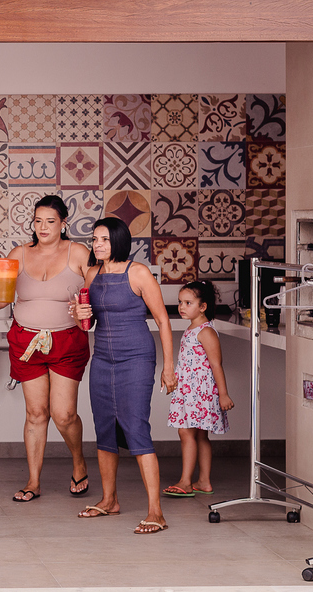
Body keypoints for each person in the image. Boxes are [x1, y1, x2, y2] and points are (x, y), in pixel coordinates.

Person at [71, 216, 176, 534]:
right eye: (94, 239)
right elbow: (85, 326)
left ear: (118, 241)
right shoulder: (92, 274)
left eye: (103, 239)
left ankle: (155, 512)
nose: (97, 245)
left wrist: (168, 367)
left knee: (136, 429)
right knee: (104, 429)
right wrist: (78, 315)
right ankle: (109, 500)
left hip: (136, 359)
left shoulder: (138, 272)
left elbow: (163, 320)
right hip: (103, 359)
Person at [0, 194, 92, 501]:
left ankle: (78, 461)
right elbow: (0, 301)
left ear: (64, 224)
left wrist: (88, 311)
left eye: (50, 221)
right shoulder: (18, 253)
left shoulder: (78, 252)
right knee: (36, 413)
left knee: (63, 414)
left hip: (67, 341)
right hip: (26, 340)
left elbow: (98, 293)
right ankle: (33, 481)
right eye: (38, 221)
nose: (43, 227)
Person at [164, 280, 235, 497]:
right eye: (180, 302)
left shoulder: (205, 331)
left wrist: (223, 394)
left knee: (186, 432)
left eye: (188, 302)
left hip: (200, 394)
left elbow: (216, 364)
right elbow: (190, 362)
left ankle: (186, 481)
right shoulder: (193, 328)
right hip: (190, 391)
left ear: (202, 306)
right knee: (201, 436)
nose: (181, 307)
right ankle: (203, 481)